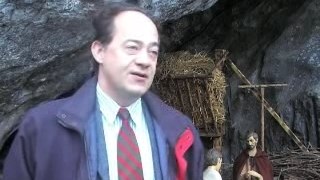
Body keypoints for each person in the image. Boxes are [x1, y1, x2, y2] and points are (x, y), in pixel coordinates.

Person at [3, 2, 204, 180]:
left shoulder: (182, 131)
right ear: (99, 51)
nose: (145, 61)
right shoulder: (41, 128)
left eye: (153, 52)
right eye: (132, 47)